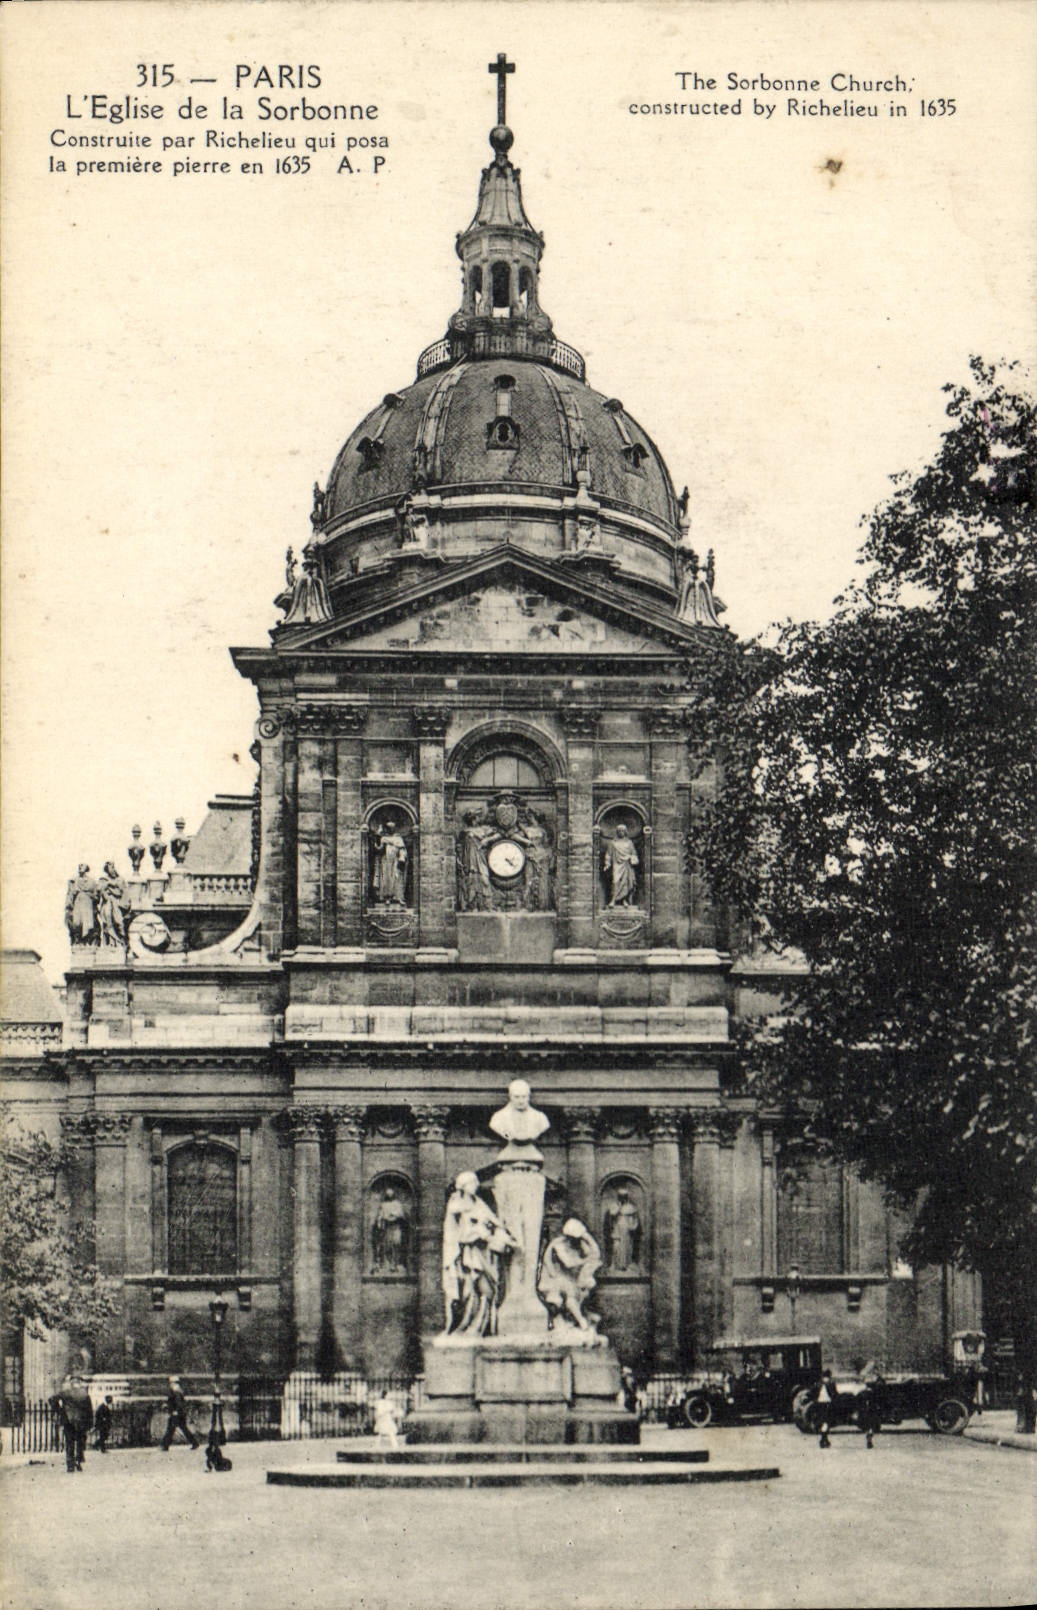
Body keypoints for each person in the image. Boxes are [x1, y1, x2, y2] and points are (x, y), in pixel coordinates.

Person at [441, 1171, 518, 1336]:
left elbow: (494, 1223)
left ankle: (482, 1327)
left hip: (485, 1252)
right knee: (471, 1290)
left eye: (475, 1182)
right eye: (472, 1183)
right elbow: (457, 1233)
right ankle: (467, 1327)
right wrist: (478, 1232)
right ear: (463, 1186)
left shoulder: (478, 1203)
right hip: (468, 1254)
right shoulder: (456, 1204)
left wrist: (506, 1237)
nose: (476, 1185)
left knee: (488, 1289)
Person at [537, 1219, 602, 1331]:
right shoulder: (558, 1245)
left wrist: (587, 1236)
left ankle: (580, 1315)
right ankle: (580, 1319)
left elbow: (596, 1254)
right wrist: (586, 1260)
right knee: (571, 1291)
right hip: (554, 1277)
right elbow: (569, 1263)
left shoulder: (579, 1243)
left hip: (568, 1276)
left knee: (584, 1287)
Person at [488, 1079, 551, 1148]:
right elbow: (505, 1134)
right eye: (517, 1097)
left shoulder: (540, 1118)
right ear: (510, 1097)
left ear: (529, 1097)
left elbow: (542, 1128)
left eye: (524, 1097)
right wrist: (509, 1136)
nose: (521, 1101)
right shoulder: (498, 1118)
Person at [53, 1375, 93, 1473]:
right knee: (80, 1442)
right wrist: (90, 1423)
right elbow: (89, 1410)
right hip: (81, 1422)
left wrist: (60, 1411)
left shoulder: (65, 1393)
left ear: (71, 1383)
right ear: (79, 1383)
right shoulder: (84, 1394)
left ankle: (70, 1465)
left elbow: (52, 1399)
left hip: (69, 1421)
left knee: (69, 1443)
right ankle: (78, 1461)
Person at [371, 1186, 410, 1272]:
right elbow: (380, 1215)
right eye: (387, 1194)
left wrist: (393, 1215)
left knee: (396, 1245)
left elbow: (401, 1214)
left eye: (390, 1194)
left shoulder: (397, 1204)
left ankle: (396, 1264)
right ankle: (387, 1265)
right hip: (386, 1228)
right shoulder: (383, 1205)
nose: (389, 1195)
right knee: (386, 1246)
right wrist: (380, 1221)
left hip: (396, 1227)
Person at [372, 819, 408, 906]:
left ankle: (398, 897)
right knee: (386, 879)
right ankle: (387, 898)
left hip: (395, 861)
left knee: (397, 878)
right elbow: (379, 849)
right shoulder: (384, 838)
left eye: (392, 828)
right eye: (389, 828)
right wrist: (377, 841)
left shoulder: (398, 839)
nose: (390, 830)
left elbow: (402, 849)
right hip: (386, 861)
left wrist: (402, 857)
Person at [602, 823, 639, 906]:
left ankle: (624, 900)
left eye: (622, 830)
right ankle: (613, 900)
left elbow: (634, 853)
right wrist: (607, 863)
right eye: (619, 831)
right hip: (617, 865)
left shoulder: (629, 843)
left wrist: (632, 858)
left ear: (625, 832)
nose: (621, 832)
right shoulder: (613, 843)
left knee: (626, 882)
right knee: (615, 881)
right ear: (617, 832)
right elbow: (608, 854)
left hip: (627, 865)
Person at [160, 1377, 200, 1451]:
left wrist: (175, 1410)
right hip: (179, 1413)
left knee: (171, 1430)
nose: (170, 1384)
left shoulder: (176, 1391)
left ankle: (165, 1446)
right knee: (182, 1429)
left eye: (171, 1383)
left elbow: (178, 1403)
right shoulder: (178, 1390)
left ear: (173, 1383)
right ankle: (194, 1443)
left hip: (177, 1413)